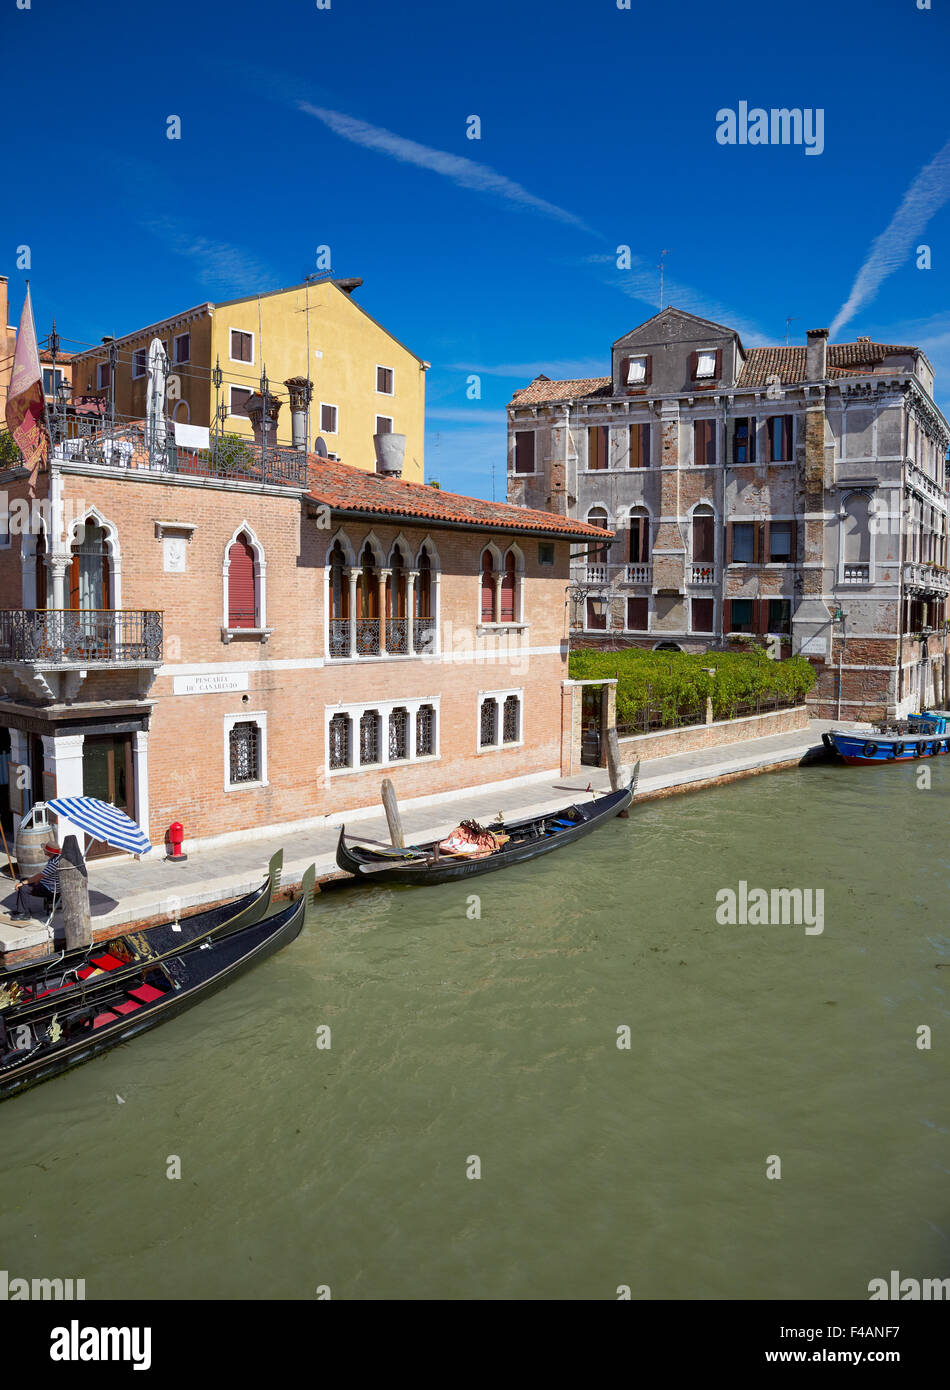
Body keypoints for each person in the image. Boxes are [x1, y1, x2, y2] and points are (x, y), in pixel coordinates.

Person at [10, 842, 61, 920]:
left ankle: (25, 914)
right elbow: (43, 875)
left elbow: (40, 875)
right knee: (24, 880)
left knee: (24, 887)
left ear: (49, 852)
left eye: (45, 849)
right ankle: (21, 909)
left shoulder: (54, 863)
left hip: (50, 889)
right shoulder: (56, 857)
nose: (44, 850)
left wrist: (23, 883)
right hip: (47, 883)